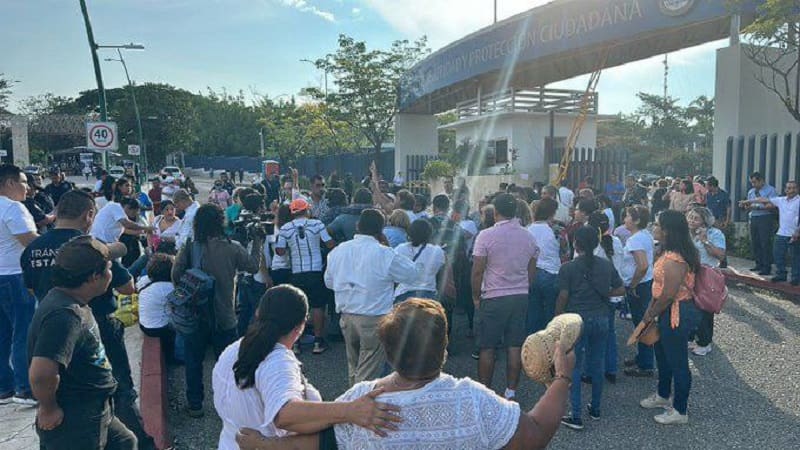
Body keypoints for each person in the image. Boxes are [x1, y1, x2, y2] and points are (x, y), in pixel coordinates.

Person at [236, 299, 576, 450]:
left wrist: (266, 445)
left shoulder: (362, 401)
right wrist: (561, 378)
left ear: (387, 353)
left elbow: (317, 443)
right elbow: (534, 435)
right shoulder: (472, 399)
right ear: (444, 347)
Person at [213, 285, 399, 450]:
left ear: (258, 313)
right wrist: (350, 410)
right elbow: (285, 415)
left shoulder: (233, 350)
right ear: (301, 327)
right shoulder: (277, 361)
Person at [27, 236, 137, 450]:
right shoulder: (65, 315)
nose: (112, 273)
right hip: (77, 418)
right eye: (109, 268)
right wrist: (48, 409)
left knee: (125, 442)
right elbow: (41, 373)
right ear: (95, 277)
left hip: (96, 406)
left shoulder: (71, 301)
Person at [172, 203, 262, 417]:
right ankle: (230, 404)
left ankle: (195, 404)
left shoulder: (190, 246)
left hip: (195, 315)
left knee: (194, 361)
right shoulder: (232, 248)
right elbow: (253, 266)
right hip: (224, 316)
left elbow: (176, 274)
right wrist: (257, 241)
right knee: (229, 363)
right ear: (221, 222)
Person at [324, 209, 419, 386]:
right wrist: (388, 247)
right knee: (367, 372)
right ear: (381, 230)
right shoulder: (384, 253)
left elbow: (329, 282)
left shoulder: (338, 251)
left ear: (358, 226)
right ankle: (359, 400)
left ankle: (352, 397)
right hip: (374, 316)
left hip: (346, 314)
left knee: (354, 367)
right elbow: (412, 274)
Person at [556, 226, 625, 430]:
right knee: (597, 363)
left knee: (574, 366)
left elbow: (563, 296)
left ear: (575, 244)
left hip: (576, 320)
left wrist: (557, 317)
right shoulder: (605, 265)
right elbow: (621, 288)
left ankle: (576, 414)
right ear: (596, 243)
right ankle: (595, 408)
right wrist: (605, 294)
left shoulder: (568, 268)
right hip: (601, 317)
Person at [472, 194, 539, 400]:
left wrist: (476, 297)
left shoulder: (485, 235)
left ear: (495, 212)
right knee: (514, 345)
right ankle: (511, 391)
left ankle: (485, 393)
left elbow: (477, 271)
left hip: (493, 295)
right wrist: (523, 286)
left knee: (488, 346)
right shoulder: (529, 236)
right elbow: (532, 269)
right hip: (520, 295)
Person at [637, 210, 700, 425]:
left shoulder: (675, 259)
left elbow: (668, 294)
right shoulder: (669, 252)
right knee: (663, 356)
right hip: (666, 310)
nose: (653, 227)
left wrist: (651, 313)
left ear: (667, 230)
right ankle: (663, 395)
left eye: (657, 224)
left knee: (677, 361)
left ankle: (680, 410)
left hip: (676, 312)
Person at [275, 198, 335, 354]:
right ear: (307, 210)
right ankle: (318, 342)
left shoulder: (285, 228)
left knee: (298, 307)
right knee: (318, 306)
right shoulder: (317, 224)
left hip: (296, 272)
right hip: (315, 270)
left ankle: (296, 344)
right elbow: (329, 243)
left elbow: (280, 251)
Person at [0, 164, 39, 405]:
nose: (28, 188)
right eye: (24, 182)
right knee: (23, 332)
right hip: (15, 276)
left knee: (3, 334)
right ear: (10, 183)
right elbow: (30, 242)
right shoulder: (13, 208)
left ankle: (4, 387)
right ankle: (25, 388)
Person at [587, 211, 625, 383]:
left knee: (592, 335)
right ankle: (611, 369)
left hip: (596, 295)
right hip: (614, 293)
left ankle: (591, 371)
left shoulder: (593, 245)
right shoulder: (616, 242)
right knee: (610, 332)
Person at [620, 205, 656, 378]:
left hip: (639, 286)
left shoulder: (635, 240)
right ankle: (642, 357)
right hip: (646, 283)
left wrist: (632, 285)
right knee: (643, 322)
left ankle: (646, 365)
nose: (625, 219)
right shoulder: (645, 235)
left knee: (642, 324)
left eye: (628, 216)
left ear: (637, 220)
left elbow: (642, 266)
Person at [685, 207, 726, 356]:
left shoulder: (715, 233)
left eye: (696, 218)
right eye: (690, 217)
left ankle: (705, 342)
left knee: (704, 308)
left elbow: (720, 255)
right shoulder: (686, 233)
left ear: (704, 221)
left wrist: (705, 240)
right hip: (689, 273)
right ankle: (691, 337)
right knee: (689, 306)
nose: (691, 221)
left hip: (707, 274)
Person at [743, 180, 799, 284]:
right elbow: (763, 200)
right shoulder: (781, 200)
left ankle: (796, 278)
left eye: (793, 188)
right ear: (785, 190)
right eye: (789, 188)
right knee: (778, 255)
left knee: (795, 257)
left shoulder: (799, 201)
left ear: (797, 189)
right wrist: (748, 201)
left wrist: (798, 231)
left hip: (795, 234)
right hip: (781, 233)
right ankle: (781, 275)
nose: (791, 190)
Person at [526, 198, 561, 334]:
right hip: (551, 272)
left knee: (533, 311)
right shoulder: (556, 230)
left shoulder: (528, 229)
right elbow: (565, 251)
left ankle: (532, 339)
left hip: (532, 272)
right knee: (551, 312)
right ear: (552, 213)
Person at [138, 253, 178, 364]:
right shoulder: (169, 288)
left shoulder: (143, 281)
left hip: (144, 325)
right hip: (160, 329)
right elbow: (183, 299)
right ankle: (177, 357)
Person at [394, 219, 445, 303]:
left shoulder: (400, 249)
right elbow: (439, 269)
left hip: (404, 294)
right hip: (428, 295)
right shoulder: (437, 251)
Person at [738, 172, 778, 275]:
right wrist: (744, 206)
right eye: (751, 182)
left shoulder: (770, 190)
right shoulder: (751, 191)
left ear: (761, 180)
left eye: (755, 182)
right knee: (755, 242)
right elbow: (749, 205)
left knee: (765, 242)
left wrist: (756, 206)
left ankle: (767, 266)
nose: (753, 184)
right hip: (754, 217)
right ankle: (758, 263)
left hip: (765, 217)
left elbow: (772, 204)